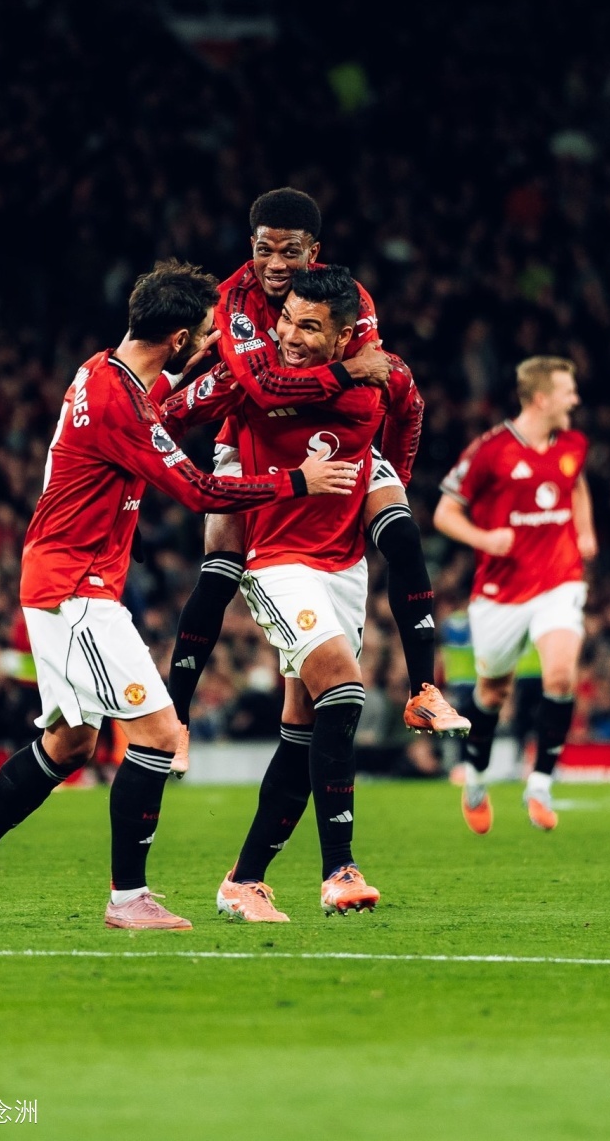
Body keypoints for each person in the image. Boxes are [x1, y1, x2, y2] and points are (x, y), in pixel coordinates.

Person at [0, 259, 357, 931]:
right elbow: (200, 491)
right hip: (76, 587)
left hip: (62, 577)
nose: (211, 342)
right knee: (157, 732)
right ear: (177, 337)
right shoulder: (119, 402)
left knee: (69, 745)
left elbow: (163, 404)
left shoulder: (103, 372)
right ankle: (129, 899)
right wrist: (296, 480)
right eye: (204, 334)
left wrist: (208, 372)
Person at [167, 187, 468, 775]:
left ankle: (423, 691)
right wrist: (347, 371)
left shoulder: (349, 298)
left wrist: (390, 476)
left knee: (402, 535)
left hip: (335, 440)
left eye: (290, 251)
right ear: (251, 246)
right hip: (250, 436)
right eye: (264, 250)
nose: (276, 264)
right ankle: (175, 720)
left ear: (314, 252)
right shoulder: (233, 301)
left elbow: (395, 390)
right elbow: (263, 389)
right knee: (221, 567)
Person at [161, 266, 423, 918]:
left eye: (309, 326)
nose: (290, 335)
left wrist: (394, 477)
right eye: (286, 320)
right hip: (275, 560)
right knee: (344, 687)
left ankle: (243, 879)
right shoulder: (251, 377)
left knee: (305, 729)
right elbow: (165, 418)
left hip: (342, 566)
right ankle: (340, 868)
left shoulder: (373, 384)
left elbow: (408, 409)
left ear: (344, 340)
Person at [433, 356, 597, 833]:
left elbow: (575, 483)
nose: (575, 399)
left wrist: (585, 531)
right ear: (541, 398)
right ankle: (475, 777)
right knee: (492, 691)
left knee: (561, 676)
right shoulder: (491, 450)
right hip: (500, 592)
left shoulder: (572, 444)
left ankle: (540, 784)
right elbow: (445, 513)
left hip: (559, 580)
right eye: (568, 391)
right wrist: (485, 539)